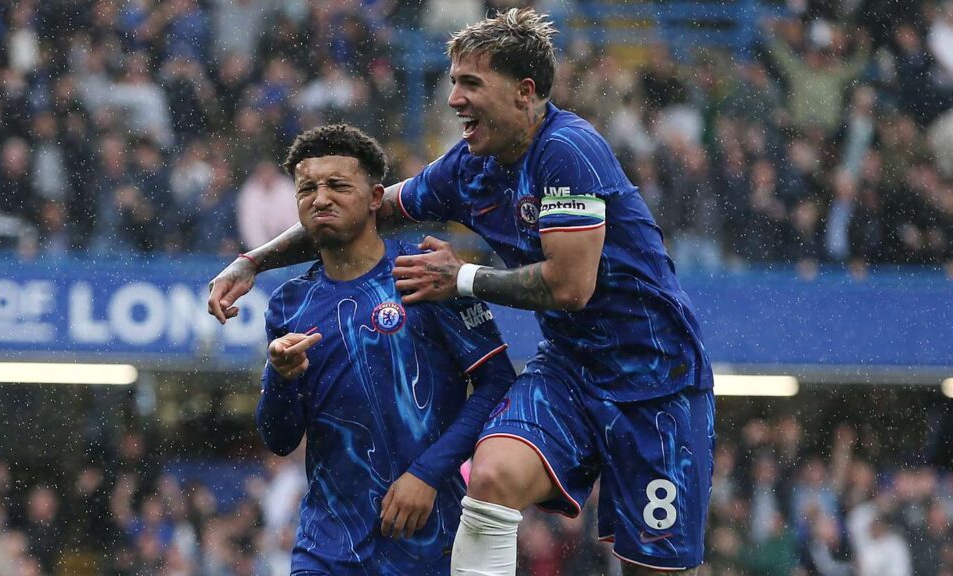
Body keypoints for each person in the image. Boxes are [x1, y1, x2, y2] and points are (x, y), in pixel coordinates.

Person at [212, 10, 714, 574]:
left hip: (658, 380)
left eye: (470, 83)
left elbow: (572, 287)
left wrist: (463, 278)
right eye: (453, 82)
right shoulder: (469, 168)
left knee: (652, 569)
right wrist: (252, 261)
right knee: (491, 476)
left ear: (524, 92)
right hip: (570, 369)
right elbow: (363, 210)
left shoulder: (568, 150)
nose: (454, 99)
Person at [255, 124, 516, 575]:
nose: (320, 199)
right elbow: (280, 440)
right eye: (307, 189)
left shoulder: (426, 274)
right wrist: (279, 378)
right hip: (326, 547)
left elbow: (497, 383)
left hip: (426, 543)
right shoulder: (289, 304)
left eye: (338, 185)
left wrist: (429, 472)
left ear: (376, 197)